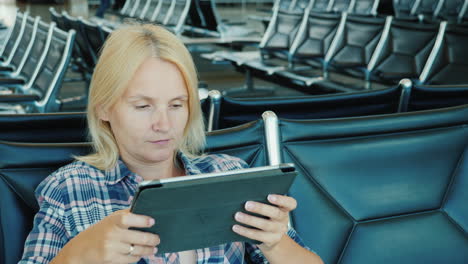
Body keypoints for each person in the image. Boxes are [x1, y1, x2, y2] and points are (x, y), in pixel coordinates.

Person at [19, 24, 323, 264]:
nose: (163, 125)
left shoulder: (229, 175)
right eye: (143, 106)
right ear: (104, 108)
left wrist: (276, 243)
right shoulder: (70, 189)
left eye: (177, 105)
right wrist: (78, 256)